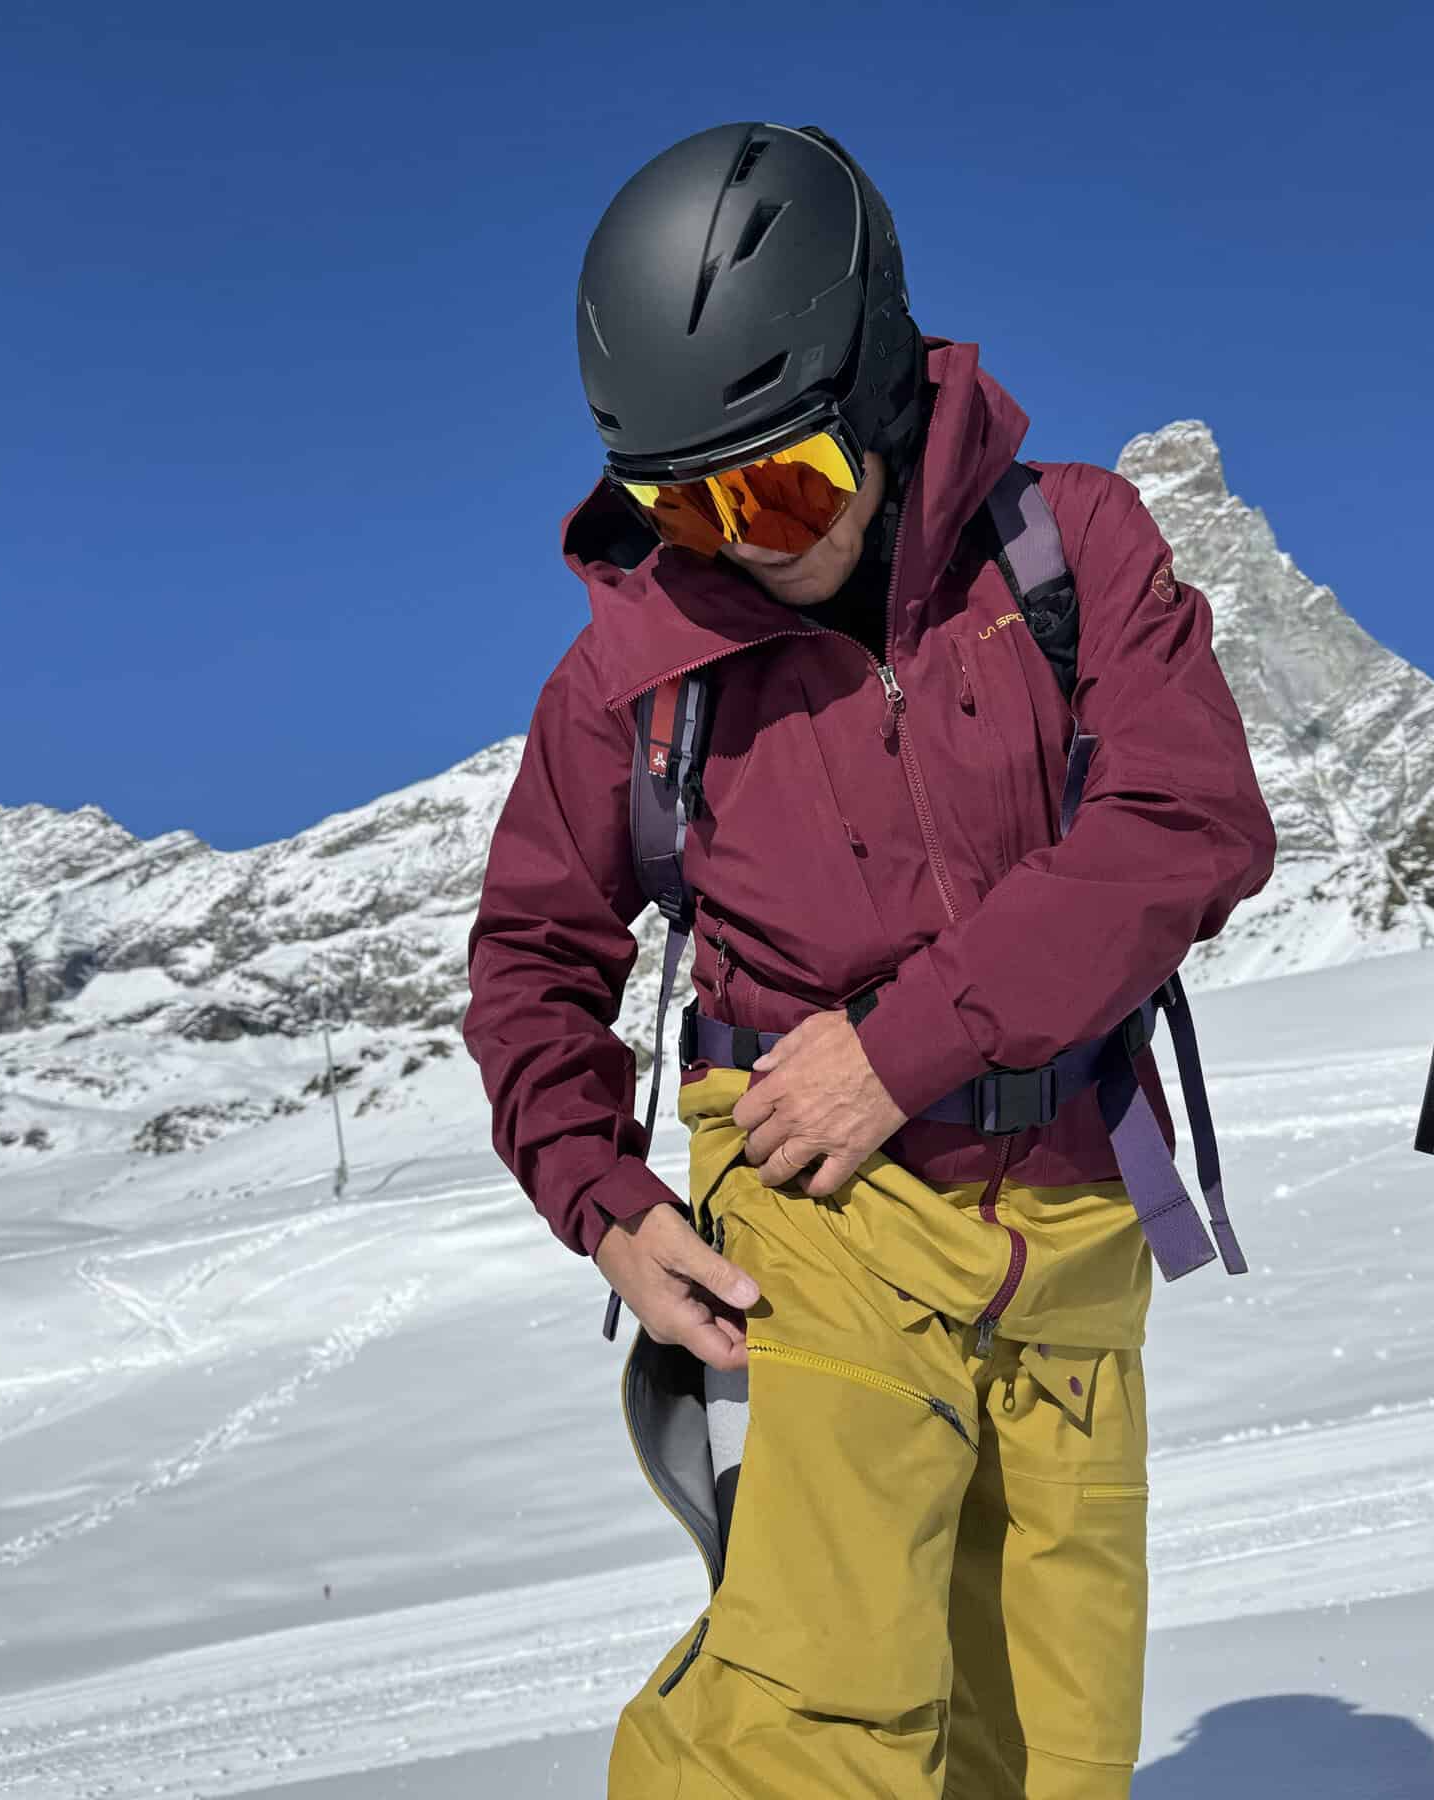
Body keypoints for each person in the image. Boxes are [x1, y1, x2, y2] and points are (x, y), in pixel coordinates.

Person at [463, 121, 1276, 1800]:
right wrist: (609, 1207)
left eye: (775, 486)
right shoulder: (634, 679)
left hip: (1067, 1213)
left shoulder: (1072, 551)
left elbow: (1182, 826)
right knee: (816, 1719)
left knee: (1045, 1753)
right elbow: (533, 957)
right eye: (676, 504)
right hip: (811, 1205)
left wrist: (908, 1043)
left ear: (881, 383)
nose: (736, 541)